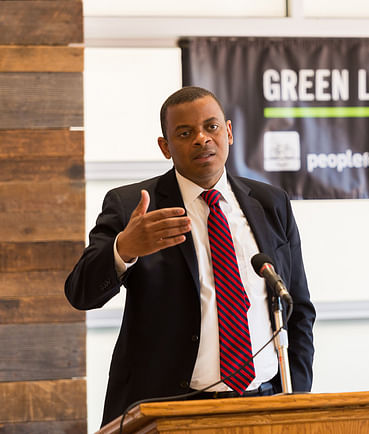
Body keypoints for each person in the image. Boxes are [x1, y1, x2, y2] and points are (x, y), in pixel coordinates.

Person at [65, 86, 315, 427]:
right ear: (165, 147)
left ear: (228, 131)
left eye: (211, 127)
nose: (202, 139)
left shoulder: (271, 203)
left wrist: (297, 396)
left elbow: (297, 307)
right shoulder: (134, 206)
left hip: (264, 404)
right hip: (170, 410)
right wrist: (124, 249)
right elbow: (81, 293)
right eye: (185, 133)